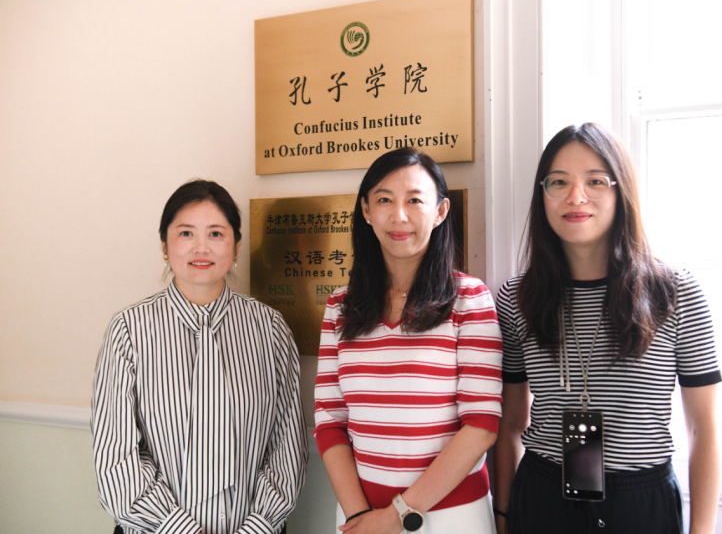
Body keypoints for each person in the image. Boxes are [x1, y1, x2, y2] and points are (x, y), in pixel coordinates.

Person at [493, 124, 722, 534]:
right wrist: (504, 515)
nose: (575, 196)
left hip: (640, 502)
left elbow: (702, 428)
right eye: (558, 182)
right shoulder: (517, 297)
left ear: (622, 191)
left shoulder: (675, 292)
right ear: (542, 193)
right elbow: (510, 423)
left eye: (595, 181)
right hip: (542, 498)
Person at [91, 180, 307, 534]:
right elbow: (116, 458)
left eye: (216, 234)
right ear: (165, 245)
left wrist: (256, 528)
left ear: (237, 246)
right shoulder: (128, 330)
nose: (201, 247)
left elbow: (288, 446)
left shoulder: (269, 329)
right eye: (186, 233)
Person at [313, 148, 503, 534]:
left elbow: (482, 424)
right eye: (384, 200)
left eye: (414, 200)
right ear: (366, 210)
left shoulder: (469, 299)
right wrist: (358, 516)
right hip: (361, 517)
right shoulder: (340, 306)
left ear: (440, 211)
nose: (399, 215)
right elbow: (329, 421)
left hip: (452, 517)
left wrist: (396, 515)